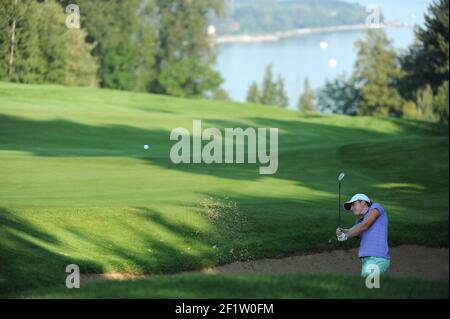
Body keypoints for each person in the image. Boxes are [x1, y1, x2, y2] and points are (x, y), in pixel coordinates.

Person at [336, 193, 390, 277]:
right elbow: (351, 231)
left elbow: (365, 226)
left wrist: (346, 236)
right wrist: (341, 232)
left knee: (368, 287)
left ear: (363, 202)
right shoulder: (360, 222)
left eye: (353, 204)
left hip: (376, 259)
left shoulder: (376, 207)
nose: (352, 208)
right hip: (368, 260)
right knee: (369, 287)